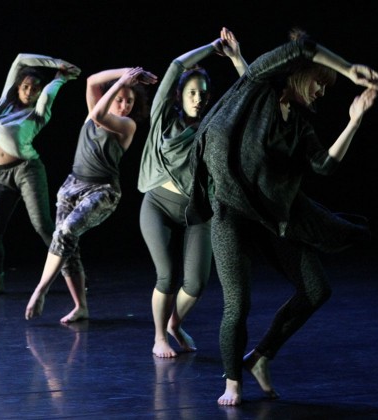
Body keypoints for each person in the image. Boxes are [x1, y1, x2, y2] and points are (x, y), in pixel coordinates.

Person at [186, 29, 378, 405]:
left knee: (315, 290)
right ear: (298, 72)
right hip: (231, 213)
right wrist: (348, 70)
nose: (322, 91)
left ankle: (260, 357)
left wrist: (355, 120)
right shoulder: (258, 87)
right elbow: (301, 46)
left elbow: (324, 165)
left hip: (271, 218)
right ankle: (232, 381)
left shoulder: (298, 125)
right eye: (320, 82)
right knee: (238, 304)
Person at [137, 28, 248, 358]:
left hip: (197, 209)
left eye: (203, 93)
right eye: (192, 93)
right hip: (157, 204)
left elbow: (250, 92)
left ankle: (175, 323)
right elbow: (174, 66)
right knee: (167, 276)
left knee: (196, 284)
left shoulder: (213, 125)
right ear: (179, 96)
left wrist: (237, 57)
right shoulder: (162, 120)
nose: (199, 98)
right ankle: (159, 336)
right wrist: (212, 47)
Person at [25, 67, 157, 323]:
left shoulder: (126, 126)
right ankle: (80, 307)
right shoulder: (93, 115)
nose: (125, 105)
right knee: (68, 249)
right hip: (71, 186)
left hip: (103, 191)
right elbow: (91, 80)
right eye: (119, 99)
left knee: (65, 233)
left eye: (129, 101)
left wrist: (121, 83)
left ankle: (41, 290)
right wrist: (127, 73)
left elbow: (98, 114)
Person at [0, 53, 81, 297]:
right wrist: (56, 62)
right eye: (26, 87)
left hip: (28, 171)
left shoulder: (38, 113)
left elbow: (48, 94)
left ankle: (75, 272)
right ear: (18, 87)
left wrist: (60, 77)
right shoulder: (4, 103)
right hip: (0, 175)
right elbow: (20, 59)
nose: (30, 91)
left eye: (34, 89)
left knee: (43, 226)